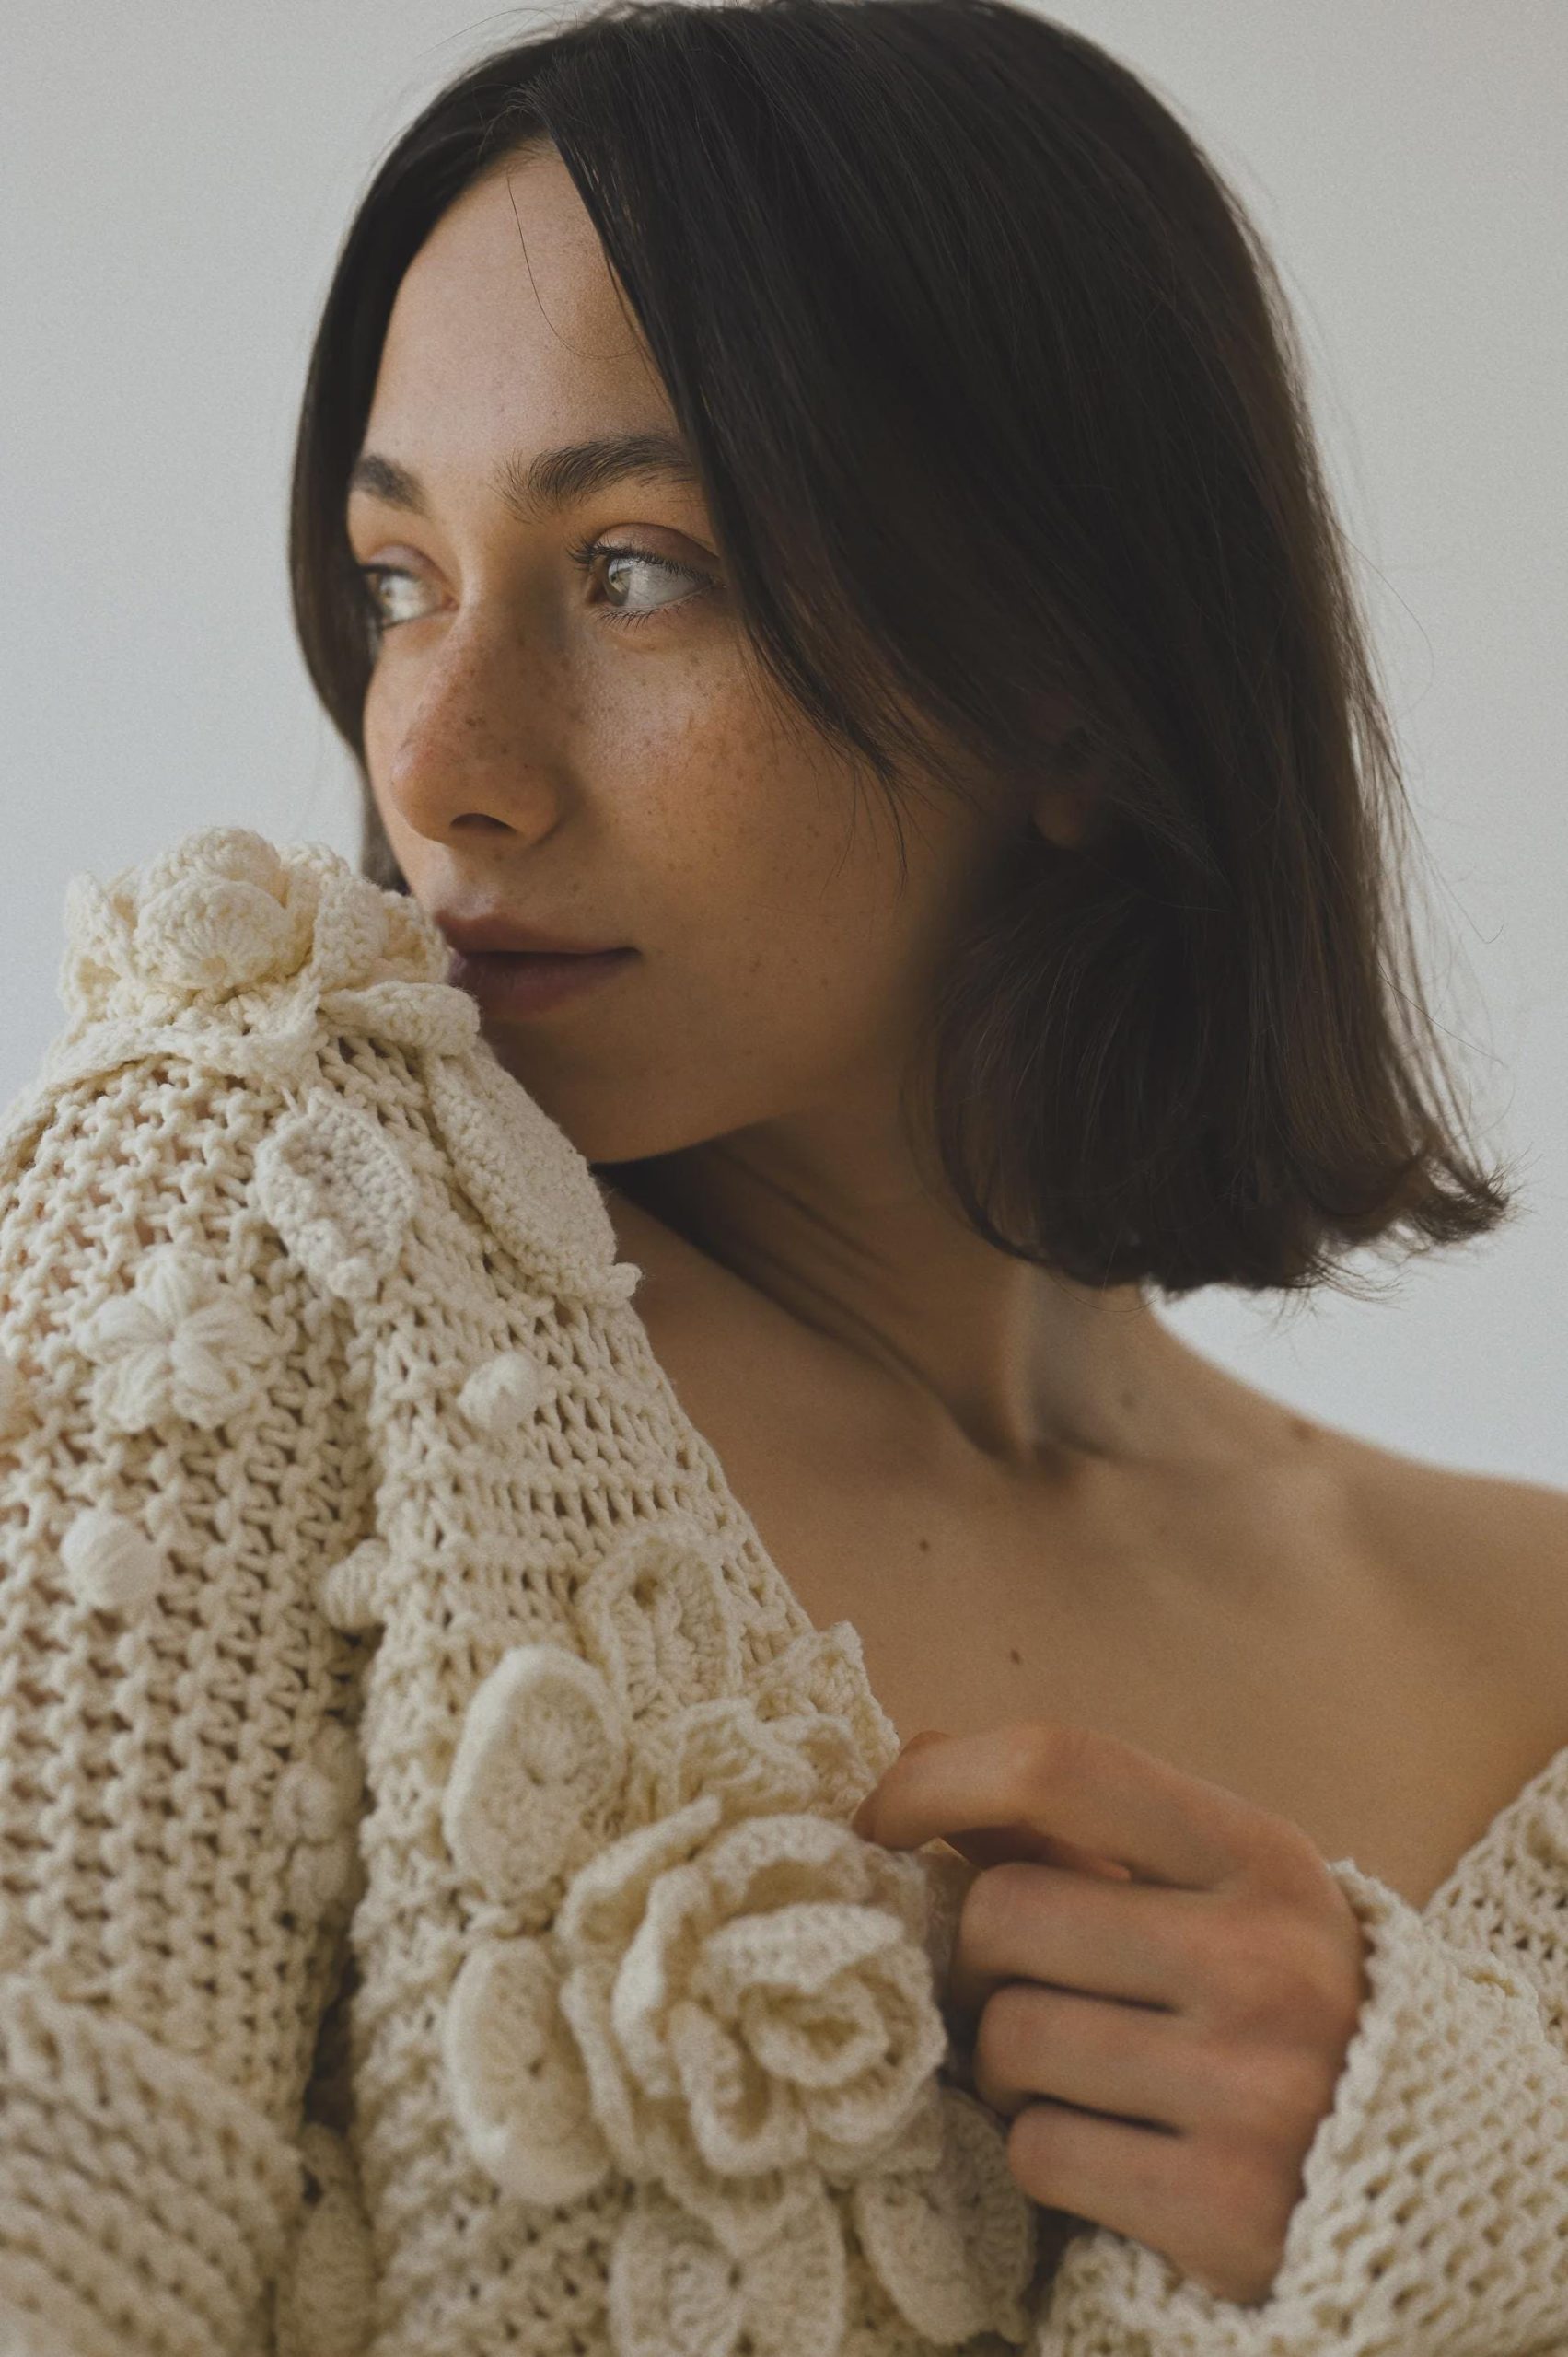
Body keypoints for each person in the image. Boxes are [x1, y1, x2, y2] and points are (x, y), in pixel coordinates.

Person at [5, 3, 1565, 2351]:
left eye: (638, 570)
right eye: (398, 574)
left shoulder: (1539, 1651)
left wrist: (1474, 2189)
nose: (439, 760)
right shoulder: (264, 1244)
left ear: (1068, 685)